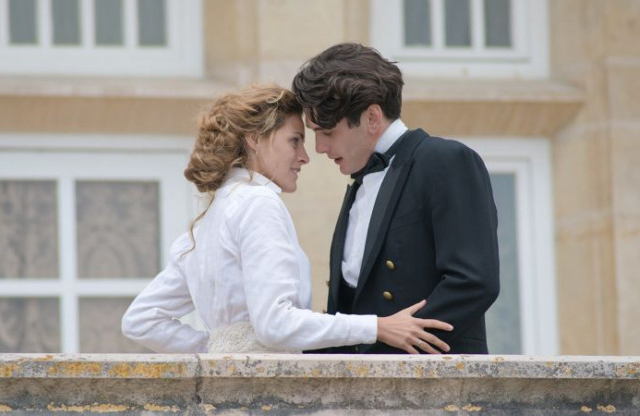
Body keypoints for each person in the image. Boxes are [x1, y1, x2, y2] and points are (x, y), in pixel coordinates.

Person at [121, 84, 453, 354]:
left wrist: (221, 347)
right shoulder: (258, 202)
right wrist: (377, 327)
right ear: (254, 139)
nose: (305, 156)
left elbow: (140, 321)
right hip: (266, 392)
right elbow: (275, 324)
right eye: (294, 141)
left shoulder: (210, 217)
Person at [292, 43, 500, 354]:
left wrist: (383, 350)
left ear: (372, 118)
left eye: (328, 132)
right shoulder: (360, 184)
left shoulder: (445, 160)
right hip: (358, 379)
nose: (320, 148)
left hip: (431, 376)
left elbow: (473, 282)